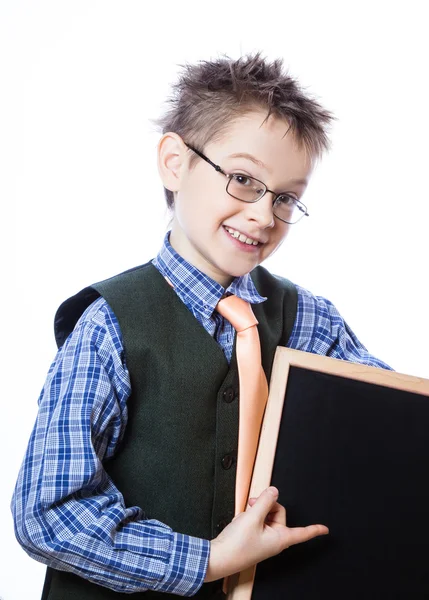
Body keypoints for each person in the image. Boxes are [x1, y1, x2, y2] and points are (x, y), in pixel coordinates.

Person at [11, 53, 393, 598]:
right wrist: (208, 560)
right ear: (174, 162)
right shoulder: (108, 326)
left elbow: (389, 427)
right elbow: (48, 512)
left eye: (286, 198)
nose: (264, 215)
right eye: (242, 180)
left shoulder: (309, 320)